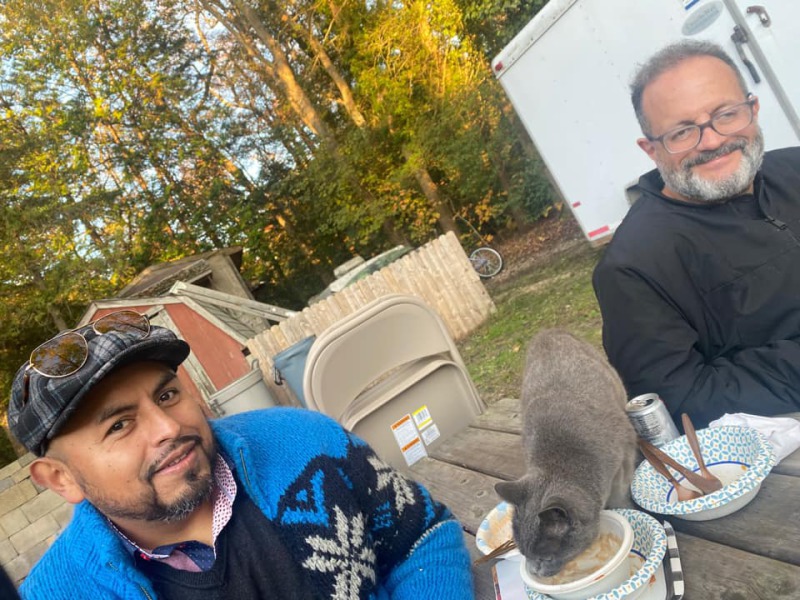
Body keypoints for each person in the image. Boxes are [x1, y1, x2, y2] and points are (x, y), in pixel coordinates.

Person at [8, 310, 473, 599]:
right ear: (60, 478)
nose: (169, 428)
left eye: (167, 395)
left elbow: (422, 536)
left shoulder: (306, 443)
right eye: (119, 425)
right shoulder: (60, 593)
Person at [593, 39, 800, 429]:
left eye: (726, 114)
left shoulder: (795, 168)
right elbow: (681, 398)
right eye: (682, 132)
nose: (713, 141)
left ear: (753, 110)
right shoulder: (633, 269)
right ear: (651, 149)